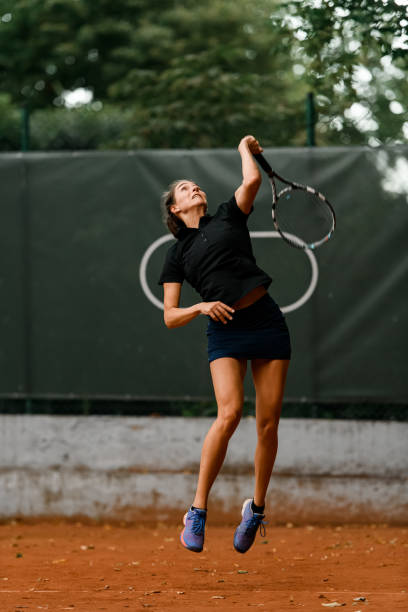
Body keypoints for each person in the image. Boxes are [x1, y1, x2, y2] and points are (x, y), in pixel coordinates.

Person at [158, 135, 291, 554]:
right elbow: (169, 316)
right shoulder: (176, 255)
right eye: (184, 188)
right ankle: (197, 510)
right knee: (230, 413)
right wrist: (200, 308)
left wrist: (242, 149)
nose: (193, 187)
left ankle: (255, 508)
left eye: (195, 184)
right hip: (225, 330)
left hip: (266, 321)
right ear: (175, 210)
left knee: (267, 423)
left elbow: (251, 182)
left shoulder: (226, 218)